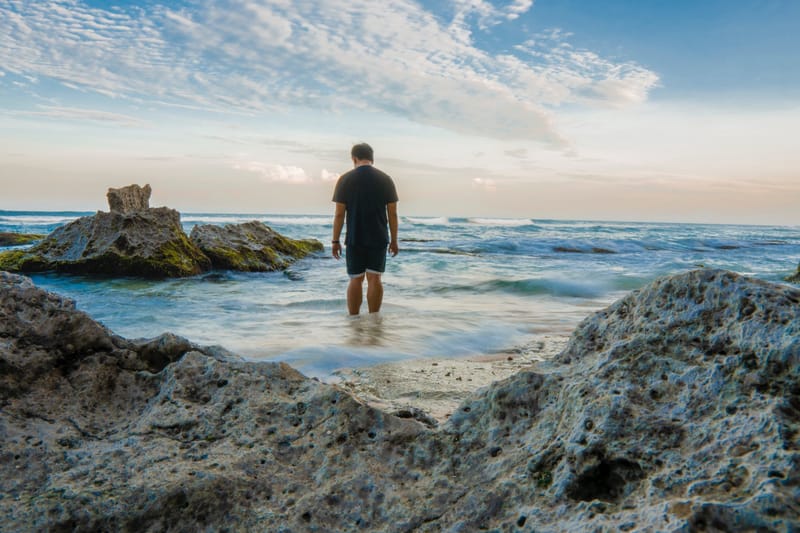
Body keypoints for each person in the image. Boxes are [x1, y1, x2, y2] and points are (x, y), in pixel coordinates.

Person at [331, 143, 399, 315]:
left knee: (355, 279)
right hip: (379, 237)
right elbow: (392, 214)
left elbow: (339, 215)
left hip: (355, 237)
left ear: (354, 158)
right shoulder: (385, 179)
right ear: (372, 158)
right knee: (375, 278)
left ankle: (354, 320)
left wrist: (335, 240)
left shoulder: (345, 179)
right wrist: (394, 240)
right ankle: (374, 320)